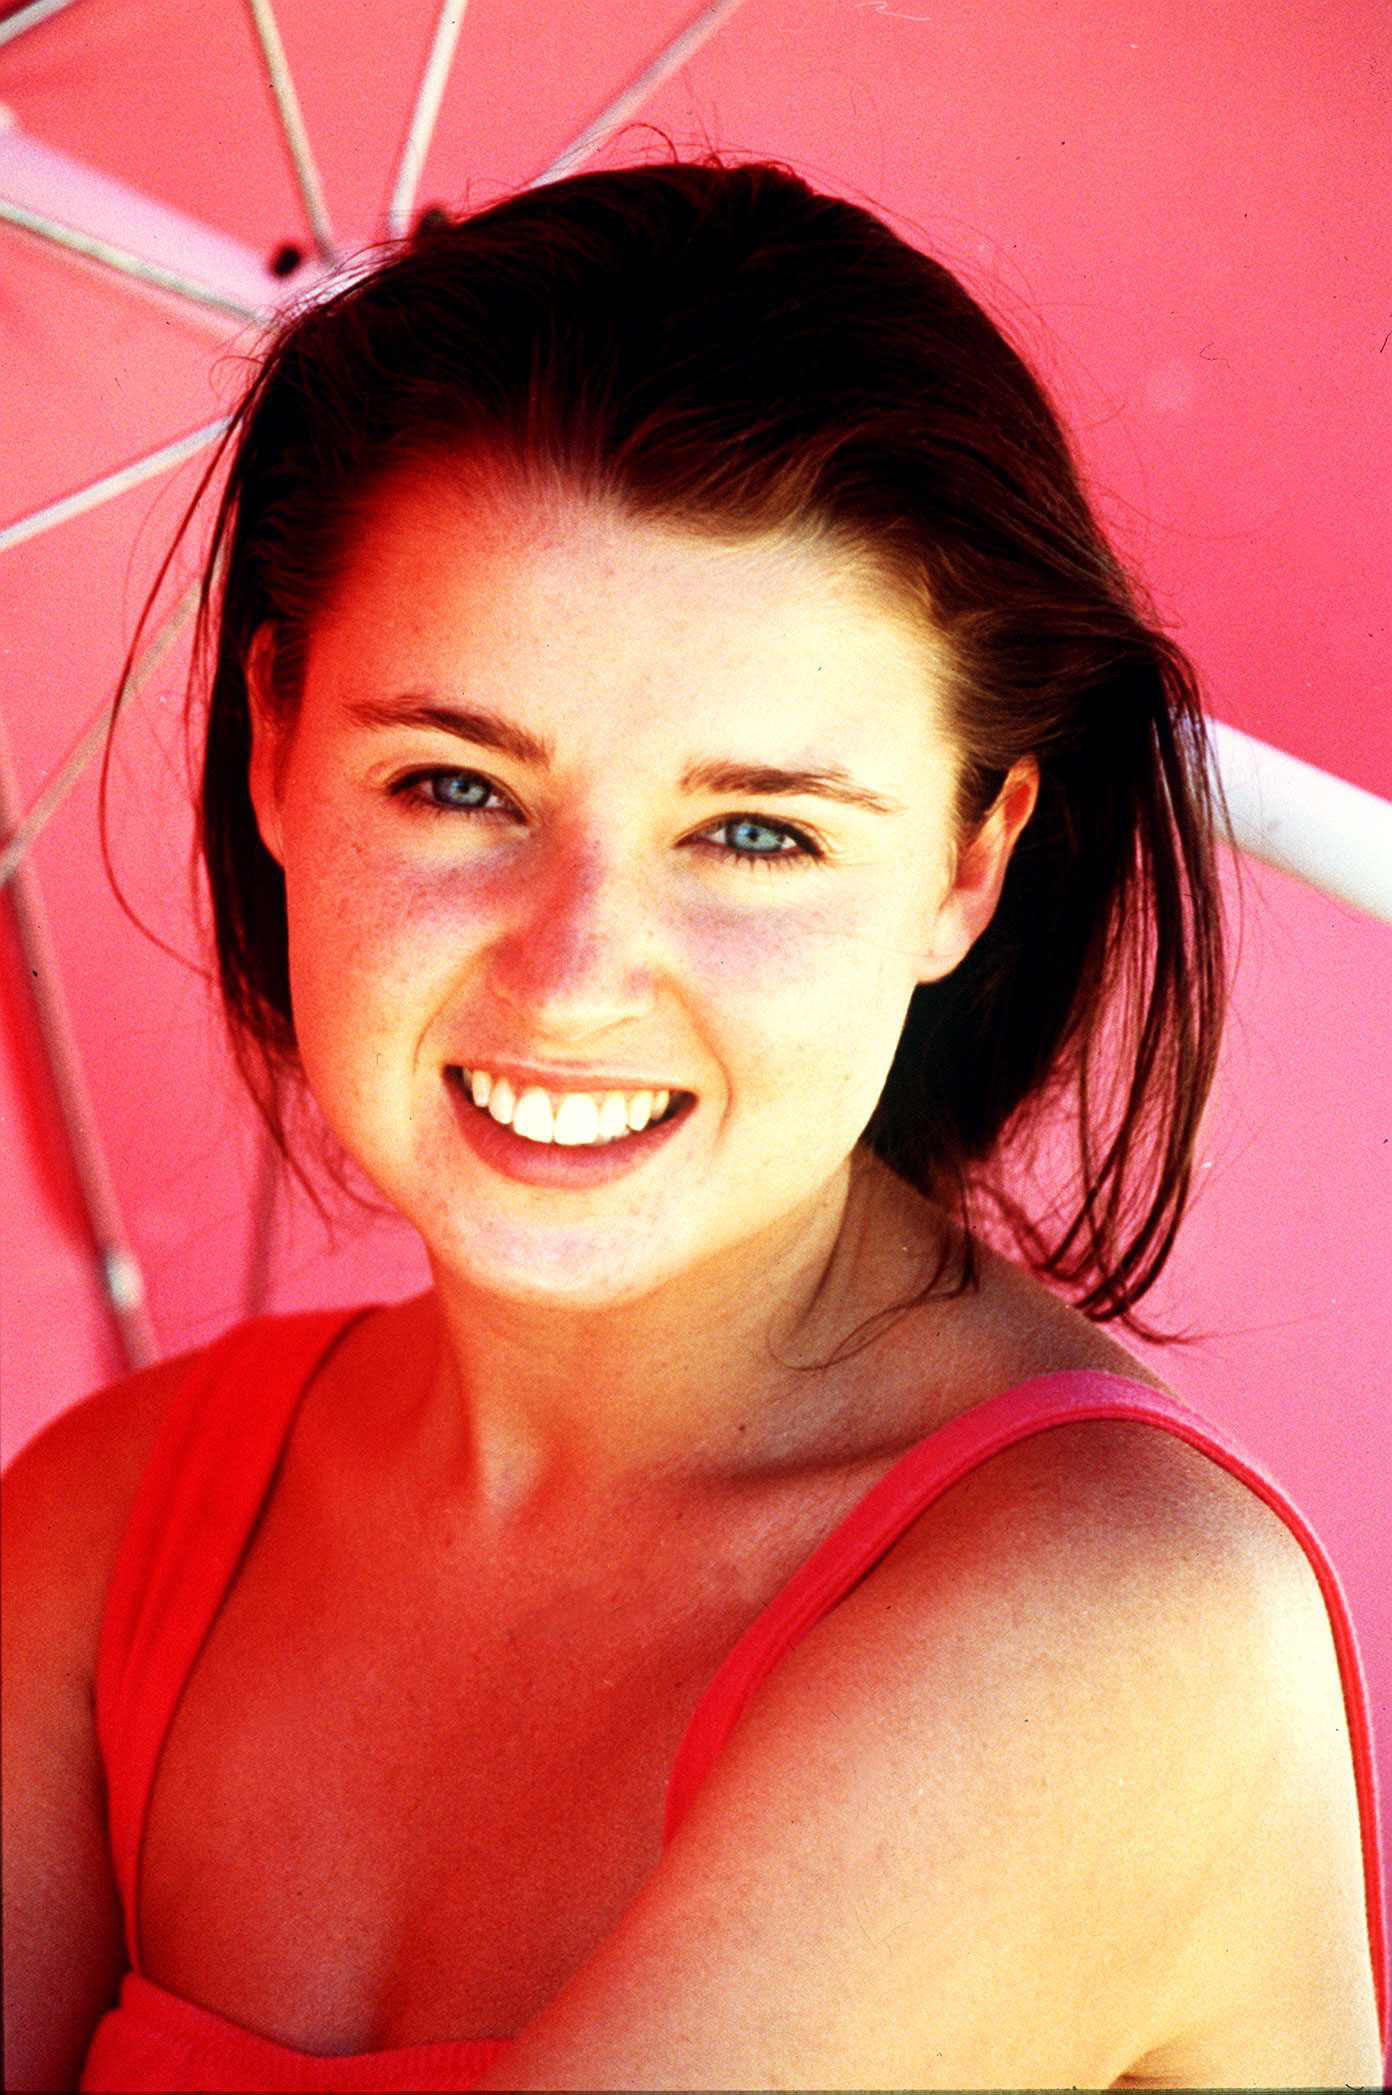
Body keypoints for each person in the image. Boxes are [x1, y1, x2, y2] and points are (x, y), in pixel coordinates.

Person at [3, 153, 1383, 2094]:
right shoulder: (111, 1524)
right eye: (458, 786)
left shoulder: (1111, 1626)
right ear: (275, 742)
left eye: (755, 832)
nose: (574, 973)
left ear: (970, 861)